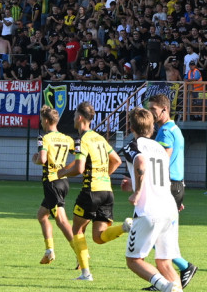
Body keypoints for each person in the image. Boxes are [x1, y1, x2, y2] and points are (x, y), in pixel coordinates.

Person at [118, 107, 183, 292]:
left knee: (134, 260)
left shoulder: (133, 145)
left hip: (149, 211)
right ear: (152, 127)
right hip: (168, 208)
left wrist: (137, 191)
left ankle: (165, 287)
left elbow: (140, 162)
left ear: (131, 128)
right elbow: (159, 177)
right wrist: (134, 184)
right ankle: (175, 289)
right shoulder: (161, 149)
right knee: (165, 262)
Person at [60, 101, 124, 281]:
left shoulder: (83, 140)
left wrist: (63, 171)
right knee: (99, 237)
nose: (73, 119)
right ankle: (125, 227)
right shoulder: (100, 138)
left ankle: (86, 273)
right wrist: (103, 175)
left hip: (91, 191)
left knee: (77, 230)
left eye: (74, 116)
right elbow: (117, 160)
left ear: (80, 118)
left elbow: (79, 168)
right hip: (107, 192)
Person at [147, 93, 198, 288]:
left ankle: (182, 270)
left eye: (153, 110)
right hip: (176, 186)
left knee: (153, 235)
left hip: (168, 185)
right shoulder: (175, 129)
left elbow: (163, 159)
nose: (151, 114)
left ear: (164, 110)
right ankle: (167, 280)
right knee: (159, 236)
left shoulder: (166, 132)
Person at [33, 105, 76, 266]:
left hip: (51, 182)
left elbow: (42, 160)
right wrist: (66, 169)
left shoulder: (44, 138)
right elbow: (80, 159)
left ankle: (80, 253)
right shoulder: (67, 138)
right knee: (42, 215)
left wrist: (35, 159)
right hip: (63, 181)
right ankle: (49, 250)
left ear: (46, 120)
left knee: (61, 221)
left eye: (41, 120)